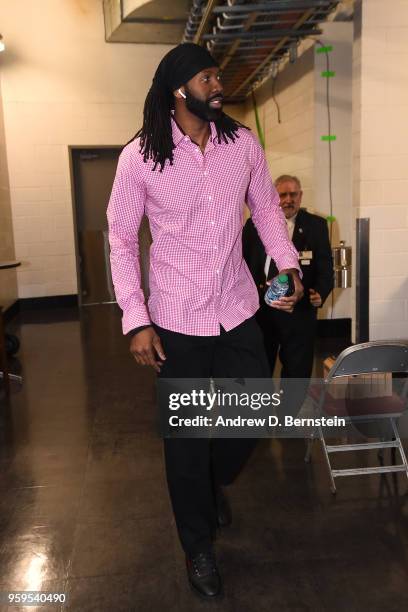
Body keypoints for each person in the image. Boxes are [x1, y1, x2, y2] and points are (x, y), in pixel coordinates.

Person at [107, 44, 303, 600]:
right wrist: (135, 318)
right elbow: (121, 239)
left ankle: (212, 480)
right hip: (174, 314)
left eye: (218, 75)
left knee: (253, 413)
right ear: (178, 89)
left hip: (237, 305)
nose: (219, 84)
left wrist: (286, 266)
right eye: (208, 77)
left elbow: (265, 208)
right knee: (186, 440)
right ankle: (197, 544)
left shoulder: (240, 143)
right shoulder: (140, 156)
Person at [243, 175, 333, 404]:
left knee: (297, 371)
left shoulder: (316, 226)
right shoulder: (254, 225)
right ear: (275, 197)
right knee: (259, 369)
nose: (288, 199)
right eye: (283, 194)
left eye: (293, 194)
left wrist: (320, 293)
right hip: (262, 312)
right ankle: (259, 418)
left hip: (299, 312)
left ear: (300, 196)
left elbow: (325, 268)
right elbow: (243, 263)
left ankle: (287, 418)